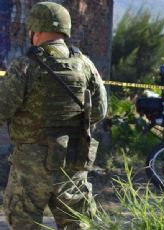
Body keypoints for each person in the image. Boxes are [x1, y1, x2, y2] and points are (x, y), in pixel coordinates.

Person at [0, 2, 107, 229]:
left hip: (30, 167)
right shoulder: (85, 65)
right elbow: (100, 111)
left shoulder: (25, 66)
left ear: (35, 31)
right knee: (77, 224)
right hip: (72, 162)